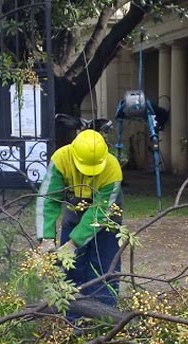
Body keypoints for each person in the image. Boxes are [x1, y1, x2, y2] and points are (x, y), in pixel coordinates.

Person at [36, 129, 123, 318]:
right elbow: (48, 199)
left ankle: (105, 321)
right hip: (74, 213)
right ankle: (74, 320)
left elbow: (99, 212)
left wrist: (73, 243)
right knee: (72, 269)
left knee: (104, 269)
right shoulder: (61, 159)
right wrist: (46, 238)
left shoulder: (112, 168)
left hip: (106, 218)